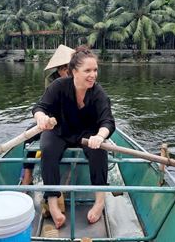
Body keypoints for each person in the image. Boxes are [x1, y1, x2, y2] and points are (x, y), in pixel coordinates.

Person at [32, 45, 115, 228]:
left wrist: (100, 137)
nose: (93, 75)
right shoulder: (58, 86)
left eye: (95, 70)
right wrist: (41, 118)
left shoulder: (98, 93)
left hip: (88, 133)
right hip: (60, 130)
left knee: (99, 151)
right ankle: (53, 203)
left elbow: (108, 121)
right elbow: (39, 107)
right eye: (87, 70)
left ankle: (99, 201)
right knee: (47, 149)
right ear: (74, 72)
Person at [21, 44, 75, 185]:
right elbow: (49, 103)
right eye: (63, 68)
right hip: (55, 120)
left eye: (68, 68)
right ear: (60, 69)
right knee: (29, 134)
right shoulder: (52, 80)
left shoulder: (82, 76)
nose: (67, 71)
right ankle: (27, 175)